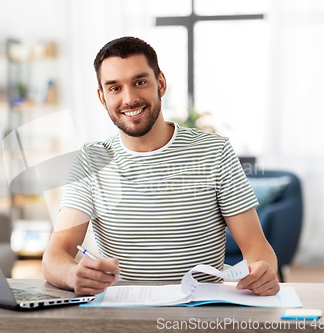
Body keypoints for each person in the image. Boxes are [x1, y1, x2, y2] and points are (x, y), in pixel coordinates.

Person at [42, 36, 279, 297]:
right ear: (102, 97)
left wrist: (262, 270)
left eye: (140, 82)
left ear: (161, 84)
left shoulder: (214, 152)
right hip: (122, 314)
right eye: (115, 88)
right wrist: (72, 274)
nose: (129, 99)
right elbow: (56, 254)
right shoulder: (91, 159)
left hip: (199, 312)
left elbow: (257, 247)